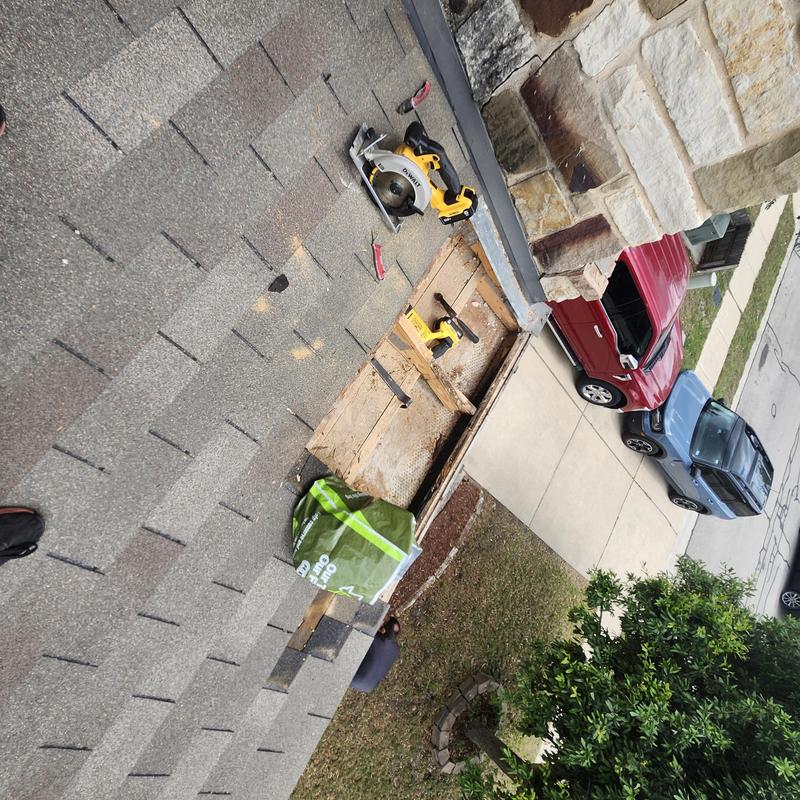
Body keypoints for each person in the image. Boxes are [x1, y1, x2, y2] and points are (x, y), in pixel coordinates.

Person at [350, 616, 401, 692]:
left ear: (383, 630)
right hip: (367, 686)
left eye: (383, 621)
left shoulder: (374, 639)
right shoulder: (395, 650)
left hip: (354, 678)